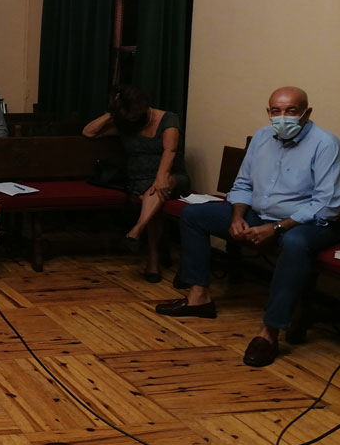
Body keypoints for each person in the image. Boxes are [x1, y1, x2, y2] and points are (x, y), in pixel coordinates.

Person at [155, 87, 340, 367]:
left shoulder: (325, 144)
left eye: (291, 111)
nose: (283, 117)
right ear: (268, 112)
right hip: (262, 215)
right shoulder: (263, 137)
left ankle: (270, 331)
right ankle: (198, 298)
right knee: (194, 215)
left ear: (306, 112)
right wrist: (236, 217)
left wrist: (277, 228)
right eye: (276, 111)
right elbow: (243, 184)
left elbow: (327, 204)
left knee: (294, 243)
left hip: (310, 223)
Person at [83, 85, 190, 283]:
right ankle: (148, 246)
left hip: (172, 177)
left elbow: (170, 151)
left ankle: (143, 242)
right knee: (152, 197)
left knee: (158, 188)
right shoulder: (125, 123)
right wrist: (113, 112)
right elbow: (89, 132)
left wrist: (161, 177)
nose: (133, 120)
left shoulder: (168, 119)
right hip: (139, 181)